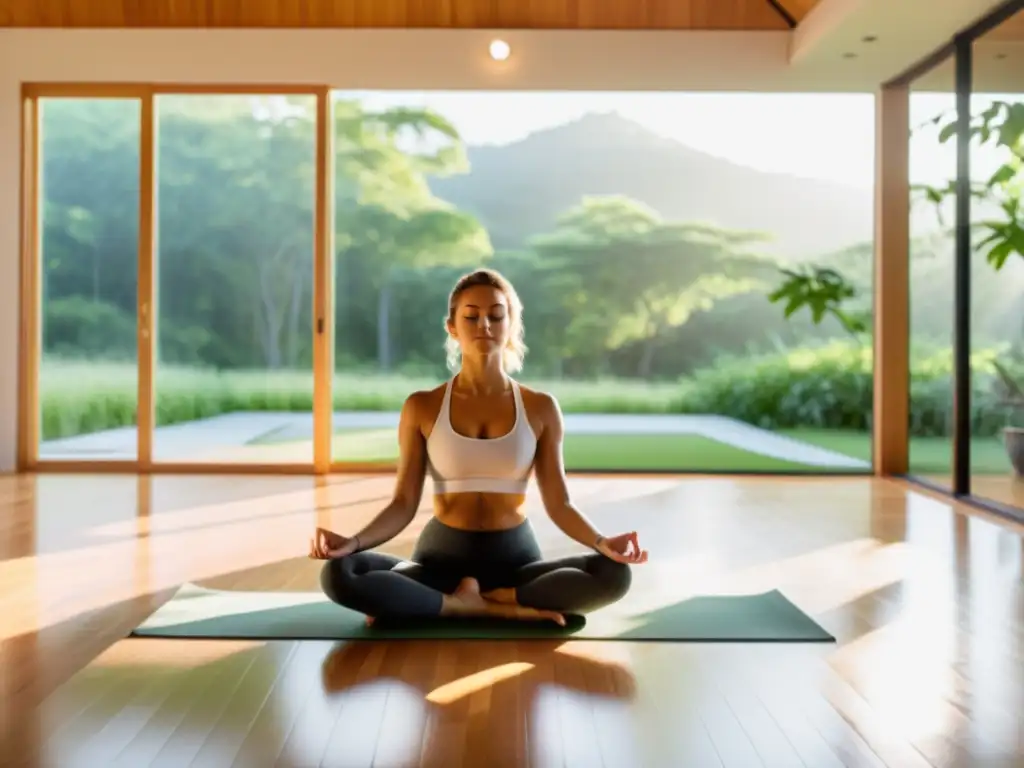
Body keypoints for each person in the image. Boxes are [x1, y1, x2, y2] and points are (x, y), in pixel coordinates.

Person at [309, 268, 648, 626]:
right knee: (340, 572)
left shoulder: (541, 407)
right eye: (471, 316)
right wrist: (354, 542)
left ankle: (465, 602)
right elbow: (403, 502)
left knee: (614, 574)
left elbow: (559, 503)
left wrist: (601, 542)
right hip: (440, 563)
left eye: (496, 315)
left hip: (515, 566)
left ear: (511, 324)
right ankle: (479, 607)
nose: (484, 324)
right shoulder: (421, 406)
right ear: (452, 327)